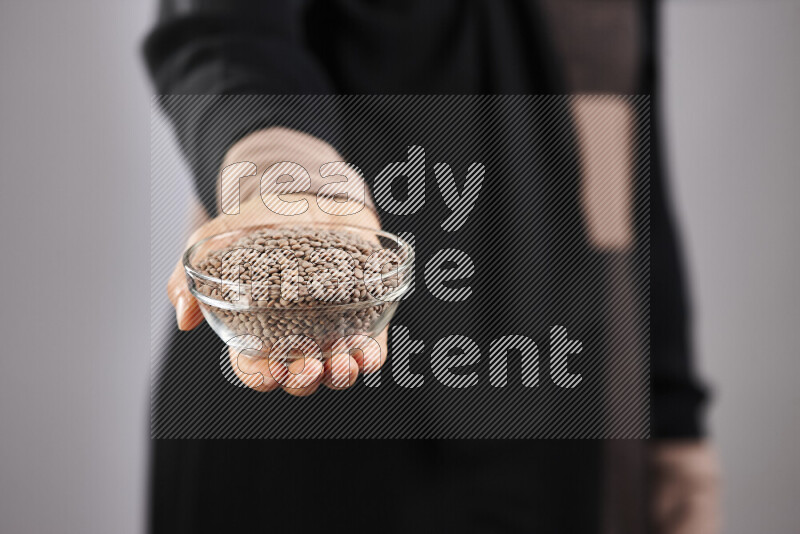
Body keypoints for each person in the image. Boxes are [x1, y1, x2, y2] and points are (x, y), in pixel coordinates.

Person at [144, 1, 719, 532]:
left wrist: (671, 425)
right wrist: (281, 166)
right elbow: (226, 33)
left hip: (553, 394)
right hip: (315, 393)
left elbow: (627, 159)